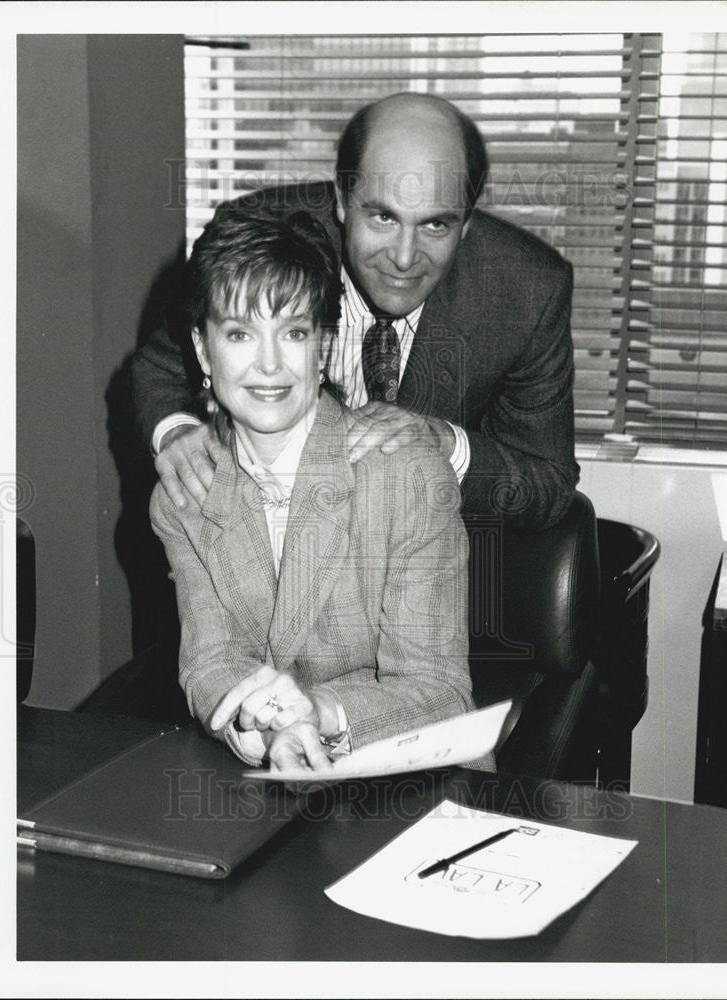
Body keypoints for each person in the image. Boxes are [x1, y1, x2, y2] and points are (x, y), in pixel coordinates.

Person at [133, 92, 579, 533]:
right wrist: (175, 435)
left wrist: (445, 444)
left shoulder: (526, 291)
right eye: (383, 217)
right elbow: (163, 367)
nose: (405, 258)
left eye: (435, 224)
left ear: (467, 224)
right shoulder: (263, 241)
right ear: (343, 201)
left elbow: (548, 483)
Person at [150, 206, 482, 771]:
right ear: (204, 351)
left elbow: (443, 693)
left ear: (323, 348)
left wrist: (319, 714)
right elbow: (209, 662)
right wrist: (258, 729)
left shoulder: (409, 477)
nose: (271, 364)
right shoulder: (186, 494)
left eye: (294, 332)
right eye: (239, 333)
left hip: (411, 778)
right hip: (269, 773)